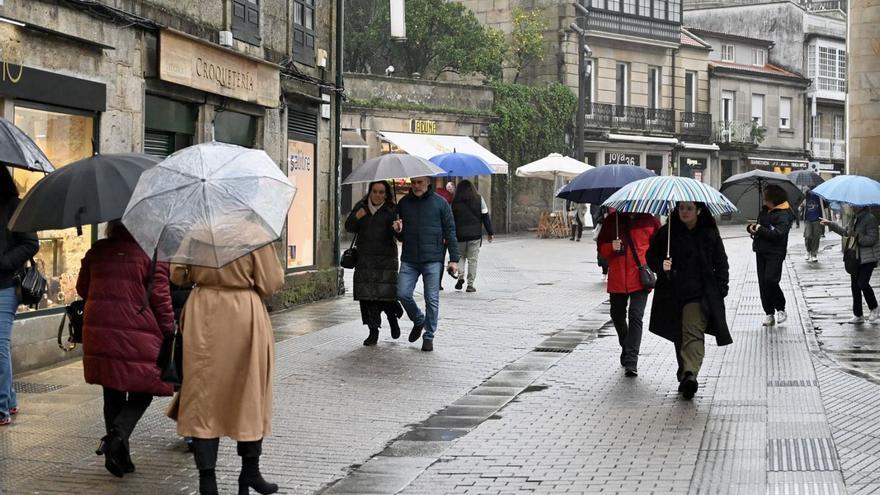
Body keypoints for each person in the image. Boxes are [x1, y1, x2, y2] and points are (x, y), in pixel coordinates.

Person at [168, 244, 284, 495]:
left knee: (203, 395)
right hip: (244, 312)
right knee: (250, 390)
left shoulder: (197, 231)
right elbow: (271, 282)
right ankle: (250, 471)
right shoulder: (254, 234)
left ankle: (207, 479)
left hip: (203, 312)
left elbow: (177, 274)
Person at [76, 220, 174, 477]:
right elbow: (160, 298)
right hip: (137, 329)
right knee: (146, 387)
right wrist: (169, 331)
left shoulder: (97, 250)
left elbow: (81, 289)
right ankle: (117, 436)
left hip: (100, 328)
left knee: (113, 390)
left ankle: (120, 456)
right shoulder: (152, 254)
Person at [646, 202, 731, 400]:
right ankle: (684, 372)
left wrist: (721, 288)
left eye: (689, 208)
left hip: (699, 294)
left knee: (692, 331)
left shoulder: (709, 233)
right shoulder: (668, 233)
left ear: (698, 211)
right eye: (681, 208)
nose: (684, 212)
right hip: (672, 293)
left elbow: (721, 262)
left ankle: (690, 374)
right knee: (679, 335)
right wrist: (662, 265)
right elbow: (651, 255)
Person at [393, 176, 460, 352]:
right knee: (402, 293)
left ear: (428, 183)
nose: (416, 186)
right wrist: (398, 231)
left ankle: (429, 335)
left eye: (419, 182)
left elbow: (450, 230)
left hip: (433, 258)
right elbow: (400, 234)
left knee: (432, 299)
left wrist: (454, 259)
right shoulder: (404, 203)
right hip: (410, 258)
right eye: (413, 182)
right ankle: (418, 319)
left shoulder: (441, 203)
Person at [597, 210, 660, 377]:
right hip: (618, 277)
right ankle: (626, 346)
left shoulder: (649, 220)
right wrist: (611, 246)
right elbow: (601, 249)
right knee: (617, 315)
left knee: (635, 315)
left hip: (640, 277)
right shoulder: (613, 220)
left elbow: (658, 247)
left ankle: (631, 360)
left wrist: (661, 263)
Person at [0, 168, 38, 427]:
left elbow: (31, 243)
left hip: (5, 286)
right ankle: (10, 400)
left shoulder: (15, 207)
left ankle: (1, 408)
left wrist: (3, 262)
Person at [344, 181, 404, 345]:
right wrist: (356, 217)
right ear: (370, 192)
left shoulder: (391, 209)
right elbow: (349, 227)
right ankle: (373, 331)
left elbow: (399, 236)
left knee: (385, 295)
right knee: (367, 297)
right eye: (374, 191)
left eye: (381, 192)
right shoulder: (361, 207)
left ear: (386, 194)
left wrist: (398, 229)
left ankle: (393, 318)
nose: (377, 195)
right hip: (365, 259)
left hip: (386, 259)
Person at [821, 207, 880, 324]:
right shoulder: (854, 218)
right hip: (855, 258)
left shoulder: (870, 219)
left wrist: (857, 235)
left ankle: (874, 308)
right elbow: (845, 232)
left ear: (861, 206)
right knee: (855, 287)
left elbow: (872, 239)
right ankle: (858, 315)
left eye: (854, 205)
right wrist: (831, 224)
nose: (852, 207)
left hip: (868, 258)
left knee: (862, 283)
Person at [747, 185, 795, 327]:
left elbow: (778, 234)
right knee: (763, 283)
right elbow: (759, 226)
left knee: (770, 280)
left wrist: (761, 229)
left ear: (773, 198)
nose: (763, 198)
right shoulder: (764, 211)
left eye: (765, 196)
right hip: (761, 250)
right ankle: (769, 313)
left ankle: (781, 308)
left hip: (775, 252)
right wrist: (752, 229)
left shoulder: (784, 214)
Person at [451, 180, 494, 293]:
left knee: (460, 257)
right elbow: (485, 217)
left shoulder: (455, 201)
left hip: (459, 235)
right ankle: (470, 284)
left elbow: (451, 219)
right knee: (472, 260)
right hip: (474, 235)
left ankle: (460, 277)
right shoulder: (479, 199)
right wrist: (490, 232)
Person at [803, 189, 825, 262]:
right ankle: (808, 250)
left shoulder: (819, 194)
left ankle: (814, 254)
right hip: (808, 219)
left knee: (816, 237)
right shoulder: (806, 194)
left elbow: (825, 205)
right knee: (808, 236)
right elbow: (802, 204)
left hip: (817, 218)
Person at [592, 205, 609, 282]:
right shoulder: (603, 207)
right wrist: (604, 217)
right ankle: (604, 272)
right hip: (603, 235)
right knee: (602, 254)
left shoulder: (618, 208)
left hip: (614, 234)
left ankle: (611, 272)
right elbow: (596, 217)